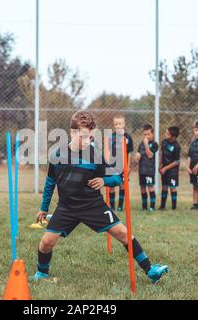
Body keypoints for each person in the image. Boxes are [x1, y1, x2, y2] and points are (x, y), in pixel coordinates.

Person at [32, 111, 169, 284]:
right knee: (46, 242)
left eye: (90, 137)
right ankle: (42, 273)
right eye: (83, 136)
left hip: (93, 205)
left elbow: (117, 179)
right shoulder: (57, 155)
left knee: (123, 233)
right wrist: (44, 207)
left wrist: (103, 180)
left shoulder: (95, 155)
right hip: (67, 207)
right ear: (72, 132)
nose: (87, 141)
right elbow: (50, 182)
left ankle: (151, 270)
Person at [108, 114, 134, 212]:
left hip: (123, 166)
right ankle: (112, 206)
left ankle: (120, 206)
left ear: (124, 124)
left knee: (123, 185)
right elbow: (108, 152)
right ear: (114, 125)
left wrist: (128, 166)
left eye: (120, 124)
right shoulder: (111, 136)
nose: (118, 126)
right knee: (112, 185)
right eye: (116, 124)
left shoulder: (128, 137)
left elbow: (130, 153)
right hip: (113, 165)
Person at [135, 124, 159, 212]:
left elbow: (150, 155)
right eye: (144, 134)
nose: (146, 136)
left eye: (148, 134)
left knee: (150, 187)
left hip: (149, 170)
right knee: (142, 187)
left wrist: (146, 144)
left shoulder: (154, 144)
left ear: (152, 134)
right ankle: (144, 206)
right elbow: (138, 155)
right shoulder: (141, 143)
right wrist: (137, 156)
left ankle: (152, 207)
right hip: (142, 169)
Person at [158, 127, 181, 211]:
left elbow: (177, 161)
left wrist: (166, 168)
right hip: (164, 169)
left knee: (172, 187)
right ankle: (162, 206)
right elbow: (162, 154)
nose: (165, 135)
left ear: (173, 137)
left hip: (172, 171)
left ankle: (174, 207)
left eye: (167, 134)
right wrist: (160, 164)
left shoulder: (177, 146)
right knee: (164, 187)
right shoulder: (164, 142)